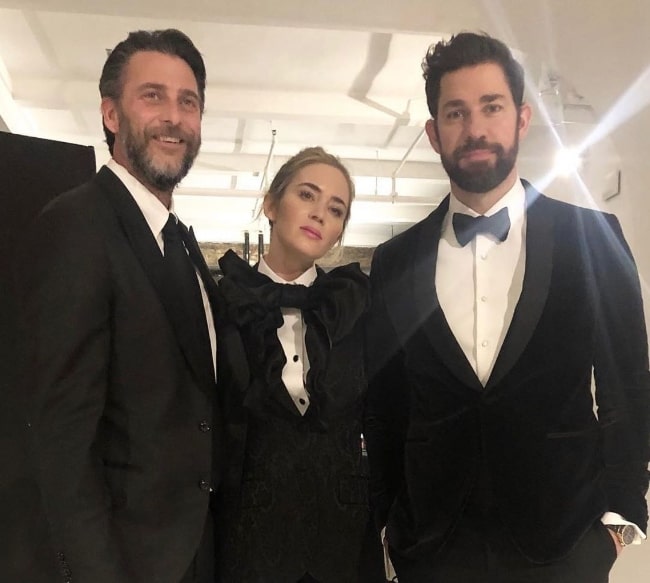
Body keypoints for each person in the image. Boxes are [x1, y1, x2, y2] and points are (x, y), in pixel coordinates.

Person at [365, 31, 649, 583]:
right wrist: (388, 522)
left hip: (566, 543)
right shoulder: (394, 261)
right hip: (433, 547)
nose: (474, 129)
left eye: (490, 107)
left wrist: (618, 524)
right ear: (433, 132)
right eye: (455, 113)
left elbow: (627, 388)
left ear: (521, 118)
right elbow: (386, 407)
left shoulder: (594, 236)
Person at [19, 29, 220, 583]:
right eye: (152, 96)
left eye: (189, 101)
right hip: (122, 562)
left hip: (193, 552)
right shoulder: (76, 226)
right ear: (111, 114)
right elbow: (60, 441)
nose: (174, 117)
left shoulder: (181, 243)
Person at [215, 146, 383, 582]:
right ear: (270, 204)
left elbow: (385, 417)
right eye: (306, 195)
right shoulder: (223, 305)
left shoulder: (357, 306)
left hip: (345, 540)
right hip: (247, 538)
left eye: (336, 209)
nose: (319, 214)